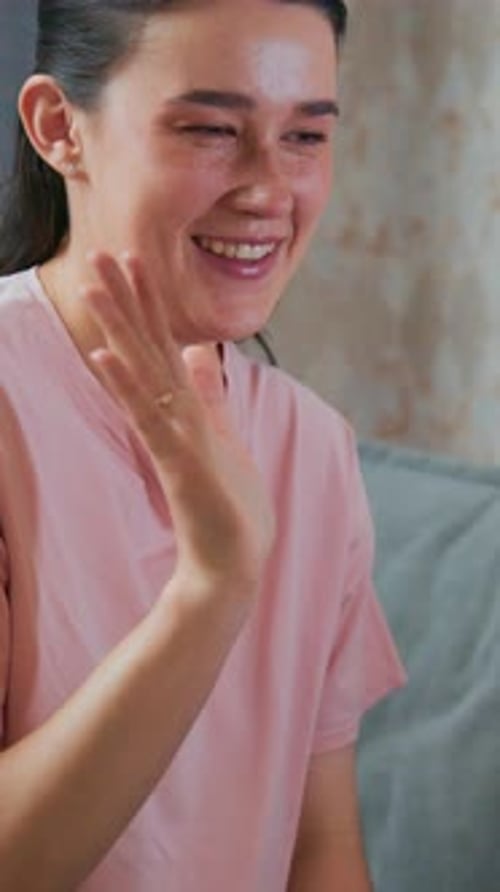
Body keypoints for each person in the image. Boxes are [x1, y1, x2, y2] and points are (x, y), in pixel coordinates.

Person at [0, 1, 406, 889]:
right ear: (59, 127)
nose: (267, 190)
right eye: (211, 129)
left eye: (304, 137)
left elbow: (319, 848)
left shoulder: (314, 448)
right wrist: (213, 587)